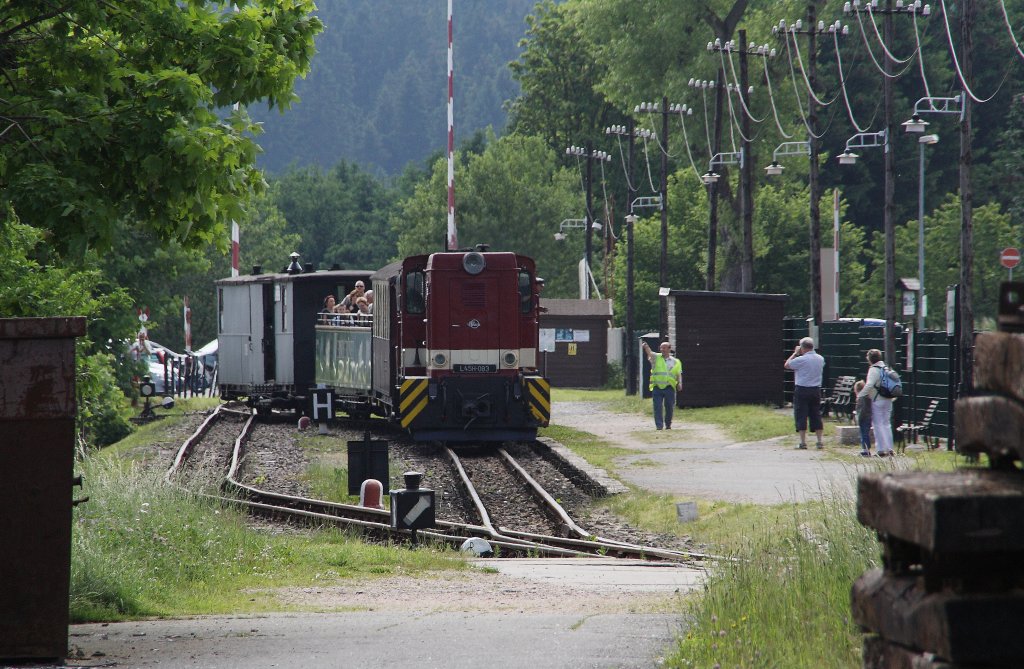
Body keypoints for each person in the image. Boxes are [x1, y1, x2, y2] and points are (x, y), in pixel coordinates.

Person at [785, 337, 826, 450]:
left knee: (801, 414)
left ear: (802, 347)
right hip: (815, 389)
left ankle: (803, 442)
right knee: (816, 414)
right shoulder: (820, 358)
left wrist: (795, 353)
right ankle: (819, 441)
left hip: (802, 389)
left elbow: (787, 365)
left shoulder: (801, 359)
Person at [857, 348, 895, 457]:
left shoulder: (873, 369)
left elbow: (869, 385)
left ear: (870, 359)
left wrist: (861, 395)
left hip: (877, 399)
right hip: (888, 399)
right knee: (887, 423)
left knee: (878, 424)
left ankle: (881, 449)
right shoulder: (886, 368)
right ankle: (890, 448)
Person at [642, 340, 683, 430]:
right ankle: (659, 426)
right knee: (657, 407)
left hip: (669, 387)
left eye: (664, 348)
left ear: (669, 349)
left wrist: (680, 383)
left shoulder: (676, 361)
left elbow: (678, 373)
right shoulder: (656, 358)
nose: (662, 349)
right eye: (661, 348)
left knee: (669, 407)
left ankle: (668, 424)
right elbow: (650, 353)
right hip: (657, 387)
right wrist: (646, 347)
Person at [853, 379, 873, 457]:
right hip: (867, 417)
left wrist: (859, 418)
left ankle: (866, 450)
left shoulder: (862, 398)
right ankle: (866, 449)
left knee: (864, 434)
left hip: (864, 418)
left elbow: (862, 409)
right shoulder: (866, 397)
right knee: (865, 433)